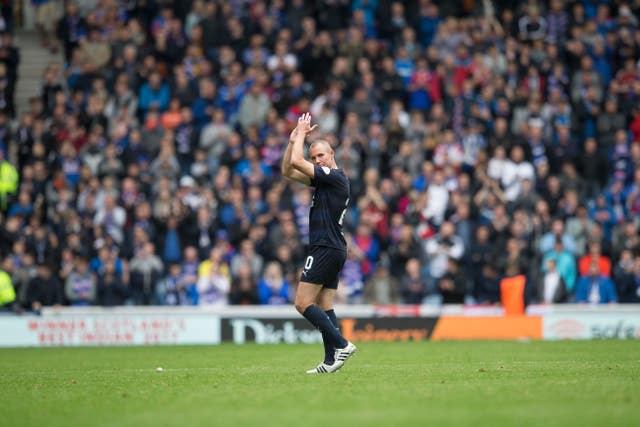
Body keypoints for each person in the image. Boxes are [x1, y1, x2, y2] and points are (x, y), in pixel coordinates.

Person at [281, 112, 356, 374]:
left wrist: (301, 133)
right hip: (333, 247)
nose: (317, 160)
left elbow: (297, 161)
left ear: (332, 153)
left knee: (302, 303)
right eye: (314, 158)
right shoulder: (325, 181)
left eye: (320, 155)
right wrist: (293, 142)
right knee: (325, 305)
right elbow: (288, 170)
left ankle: (342, 344)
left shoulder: (335, 177)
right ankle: (329, 360)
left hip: (325, 247)